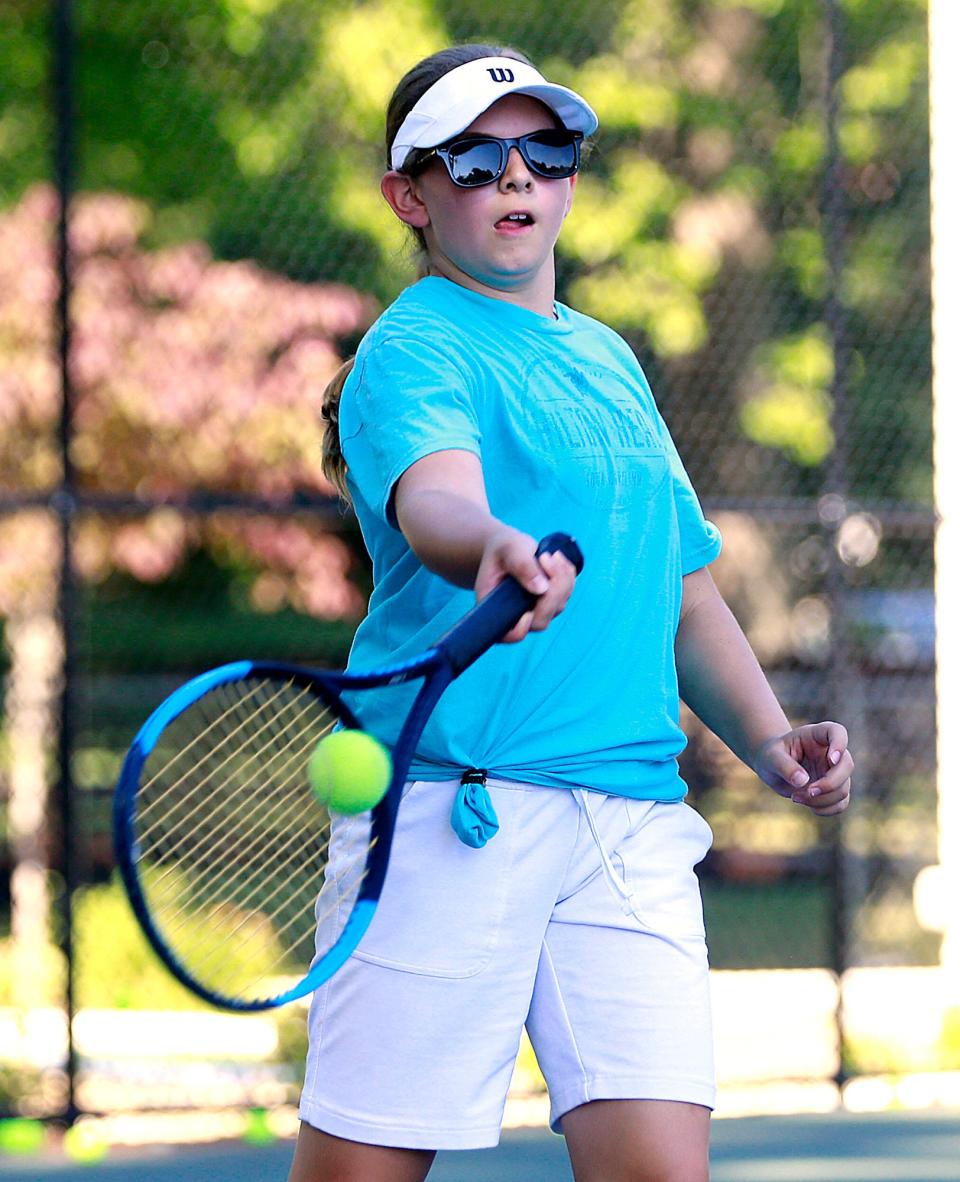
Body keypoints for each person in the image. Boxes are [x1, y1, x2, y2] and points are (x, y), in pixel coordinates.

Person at [289, 43, 854, 1182]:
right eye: (477, 158)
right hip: (451, 810)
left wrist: (768, 737)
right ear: (411, 194)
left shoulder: (607, 357)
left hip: (629, 821)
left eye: (545, 154)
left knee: (659, 1172)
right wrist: (489, 544)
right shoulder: (414, 346)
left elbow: (681, 588)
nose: (517, 180)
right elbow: (438, 498)